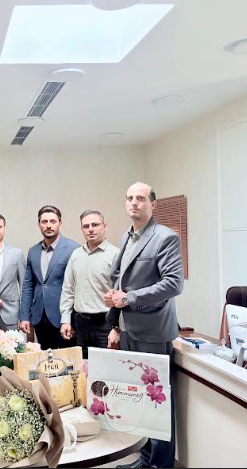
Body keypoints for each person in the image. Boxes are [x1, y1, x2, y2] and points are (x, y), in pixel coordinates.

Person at [105, 182, 184, 469]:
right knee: (140, 400)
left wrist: (129, 298)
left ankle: (160, 465)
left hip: (153, 332)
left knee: (157, 403)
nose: (134, 203)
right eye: (129, 198)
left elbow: (173, 284)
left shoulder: (166, 237)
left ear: (153, 204)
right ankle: (146, 458)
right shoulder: (127, 236)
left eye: (140, 198)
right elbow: (120, 279)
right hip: (128, 329)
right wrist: (115, 321)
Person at [59, 210, 120, 358]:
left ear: (105, 226)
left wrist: (117, 328)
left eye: (95, 225)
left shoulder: (116, 254)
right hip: (80, 325)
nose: (90, 229)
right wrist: (65, 320)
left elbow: (121, 293)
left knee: (106, 368)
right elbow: (68, 289)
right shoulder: (76, 254)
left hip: (105, 325)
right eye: (86, 226)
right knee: (82, 368)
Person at [19, 205, 80, 350]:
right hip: (39, 318)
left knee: (66, 361)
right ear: (39, 225)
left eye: (53, 221)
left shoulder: (73, 249)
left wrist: (71, 320)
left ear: (60, 223)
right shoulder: (33, 251)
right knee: (45, 359)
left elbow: (77, 287)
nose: (48, 225)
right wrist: (25, 316)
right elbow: (28, 286)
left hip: (64, 318)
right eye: (44, 222)